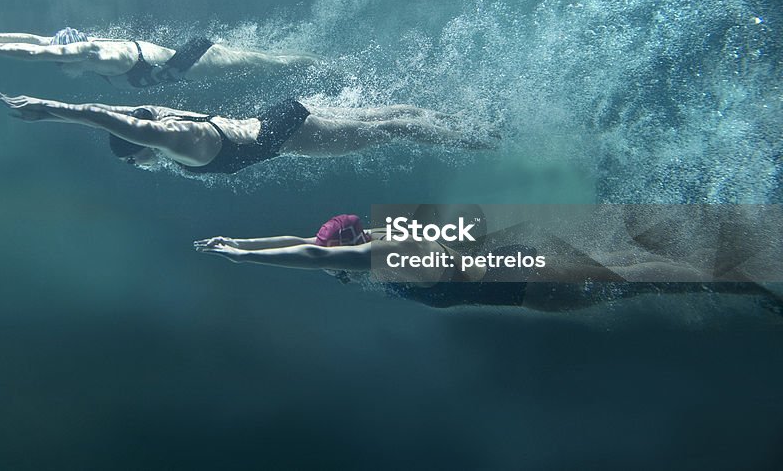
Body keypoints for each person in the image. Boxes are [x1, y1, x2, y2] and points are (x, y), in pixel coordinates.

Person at [194, 213, 783, 313]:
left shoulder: (383, 260)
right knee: (638, 274)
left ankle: (745, 277)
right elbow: (315, 247)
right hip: (529, 270)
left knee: (644, 281)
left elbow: (317, 253)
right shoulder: (380, 247)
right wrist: (241, 249)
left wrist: (246, 256)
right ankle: (740, 271)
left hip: (532, 280)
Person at [0, 95, 499, 173]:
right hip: (277, 118)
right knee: (384, 116)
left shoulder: (171, 142)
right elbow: (129, 109)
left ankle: (485, 138)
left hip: (286, 134)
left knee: (394, 130)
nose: (139, 166)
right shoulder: (173, 120)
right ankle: (468, 121)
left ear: (141, 146)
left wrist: (49, 110)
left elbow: (113, 118)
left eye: (133, 159)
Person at [0, 27, 316, 88]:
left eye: (60, 61)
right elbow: (34, 41)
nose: (59, 67)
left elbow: (32, 53)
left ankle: (314, 63)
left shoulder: (92, 53)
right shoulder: (83, 51)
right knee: (261, 64)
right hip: (185, 68)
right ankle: (310, 61)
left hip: (197, 64)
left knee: (265, 64)